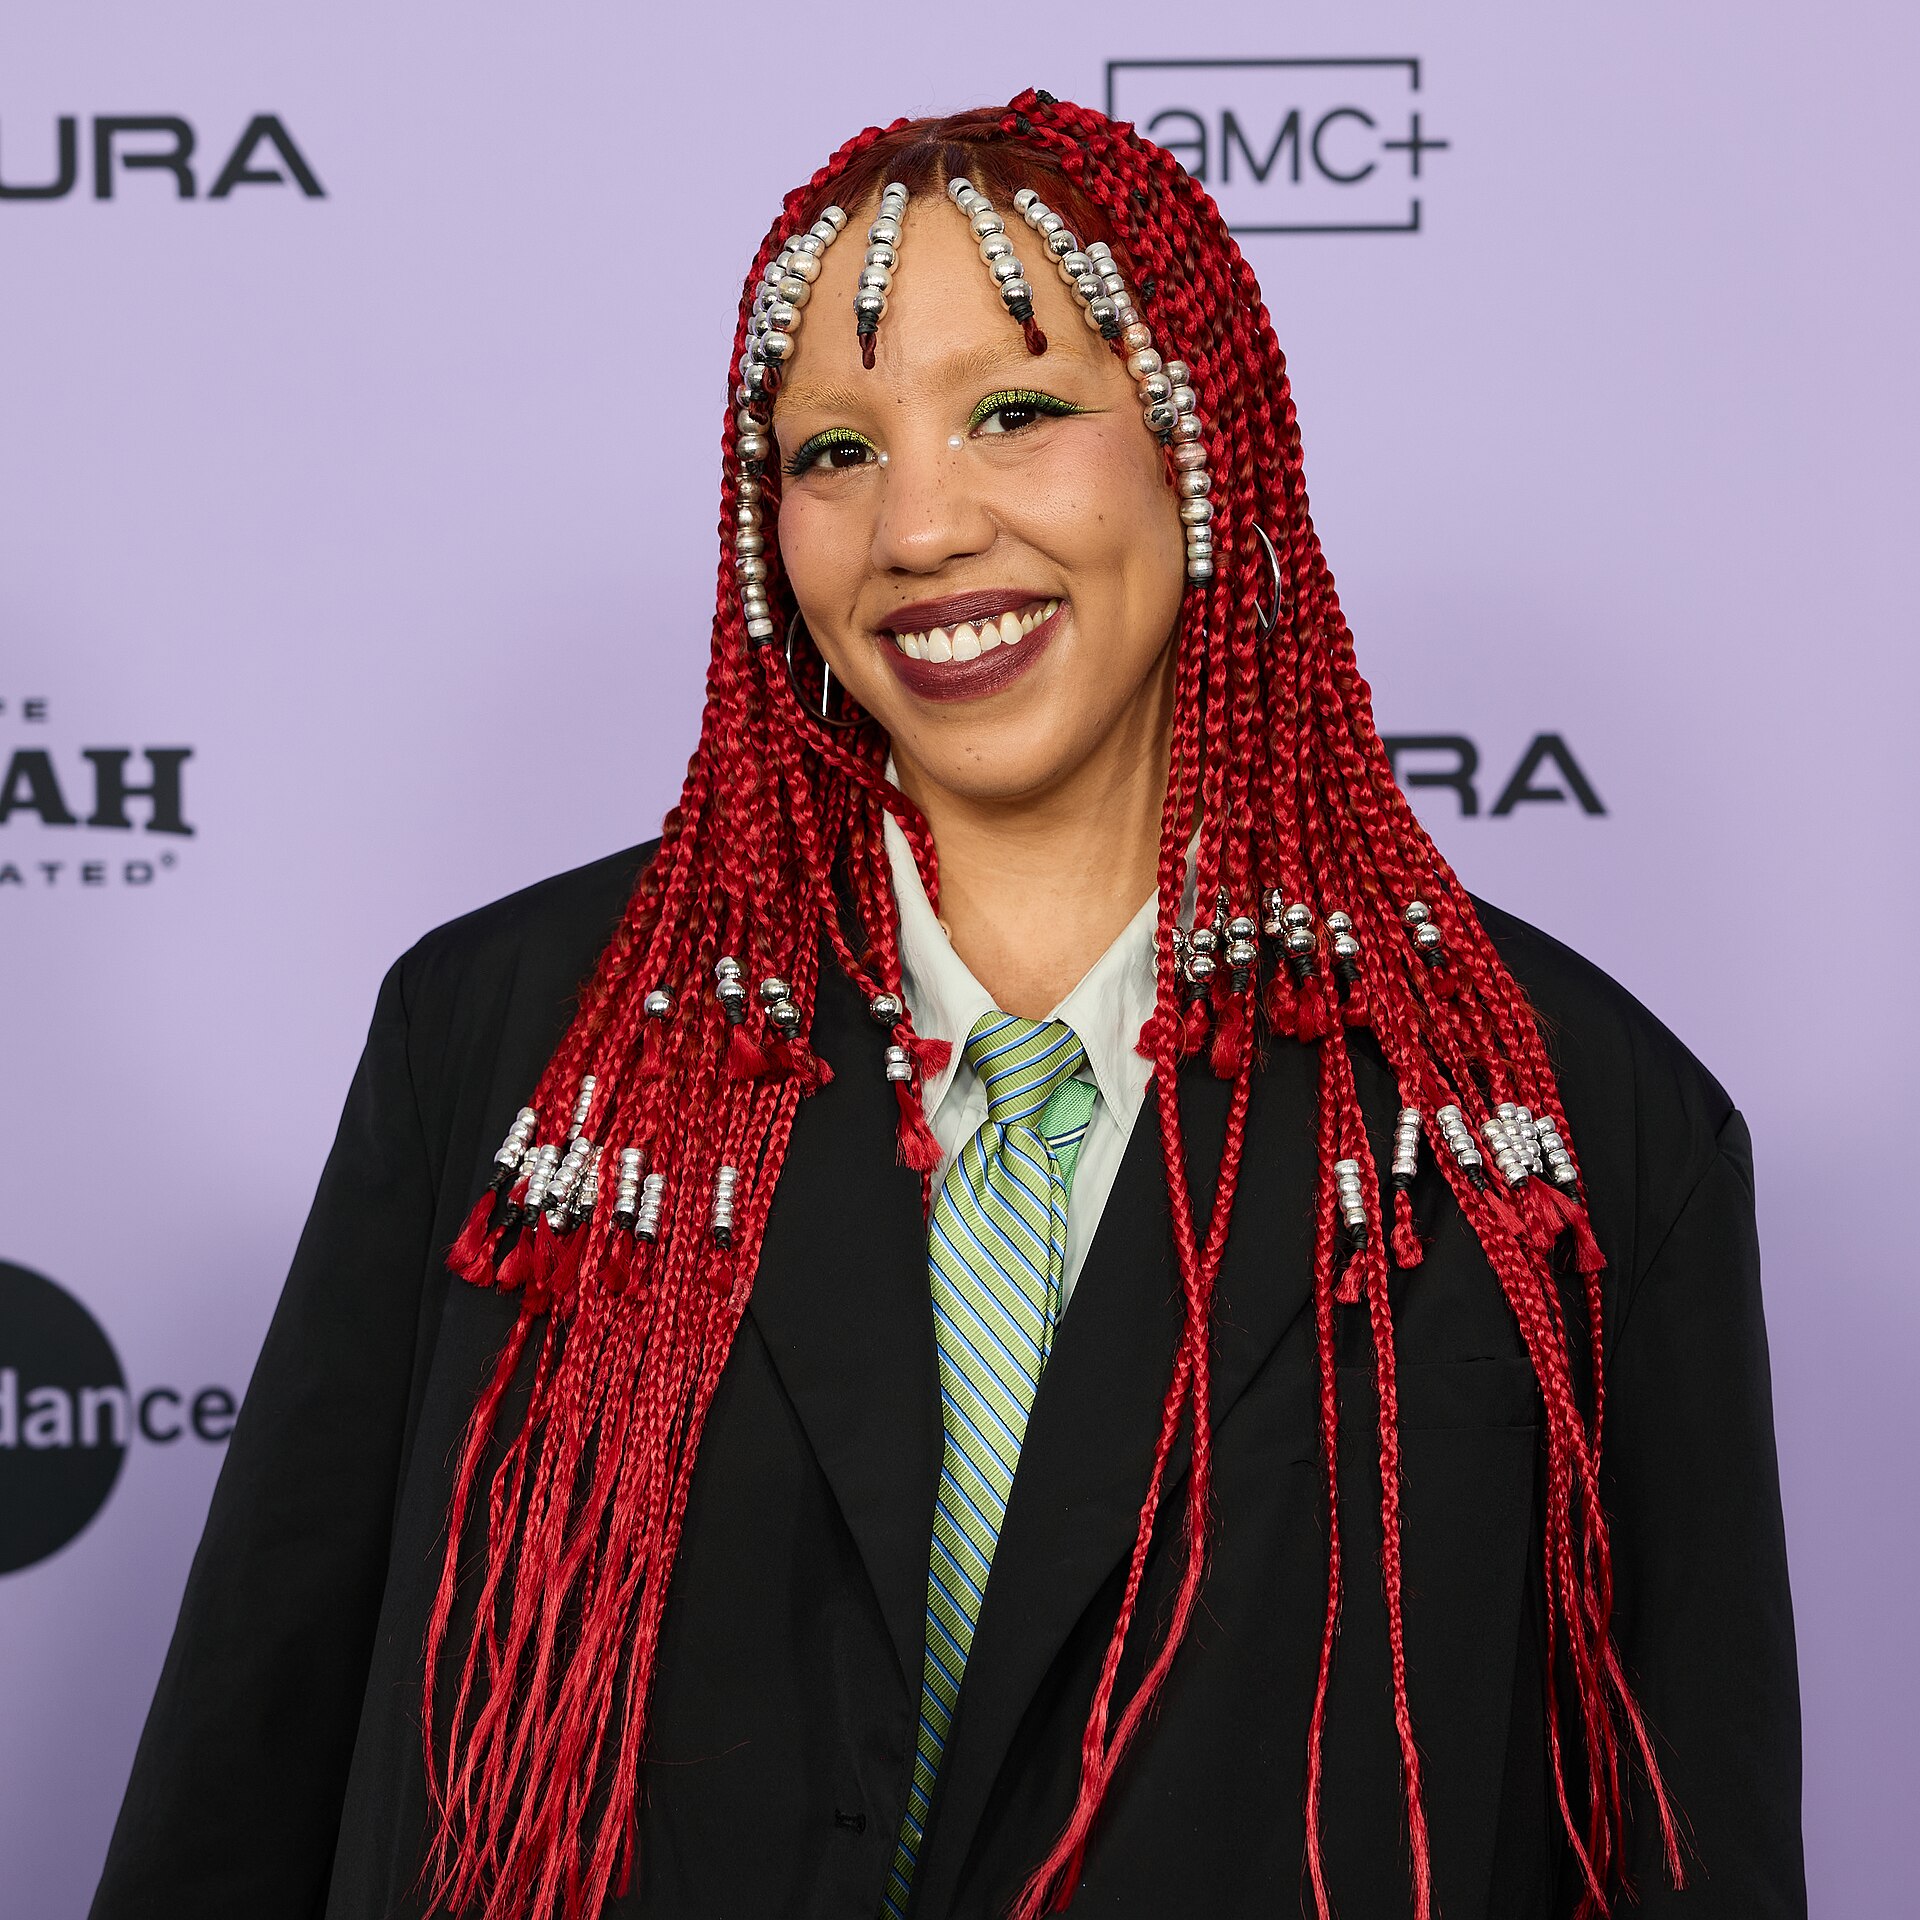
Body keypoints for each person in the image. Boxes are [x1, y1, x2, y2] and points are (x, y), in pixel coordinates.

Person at [90, 94, 1804, 1920]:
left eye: (1014, 411)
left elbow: (1681, 1846)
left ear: (1191, 447)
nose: (917, 525)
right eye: (831, 449)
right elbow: (244, 1779)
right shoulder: (507, 1045)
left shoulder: (1573, 1116)